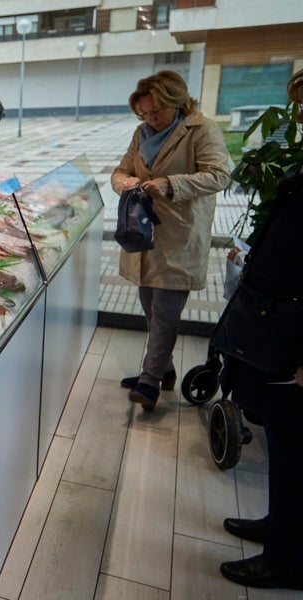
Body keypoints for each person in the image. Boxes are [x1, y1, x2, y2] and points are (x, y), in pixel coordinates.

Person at [217, 55, 303, 592]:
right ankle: (283, 528)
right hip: (287, 331)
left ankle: (296, 563)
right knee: (289, 443)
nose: (302, 120)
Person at [110, 70, 231, 411]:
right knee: (152, 310)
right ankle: (164, 369)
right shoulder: (141, 134)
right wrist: (128, 183)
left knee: (164, 313)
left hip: (178, 236)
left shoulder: (200, 129)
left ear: (177, 103)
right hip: (143, 236)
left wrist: (170, 184)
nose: (150, 119)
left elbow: (219, 175)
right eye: (144, 113)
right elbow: (118, 172)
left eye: (156, 112)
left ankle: (149, 383)